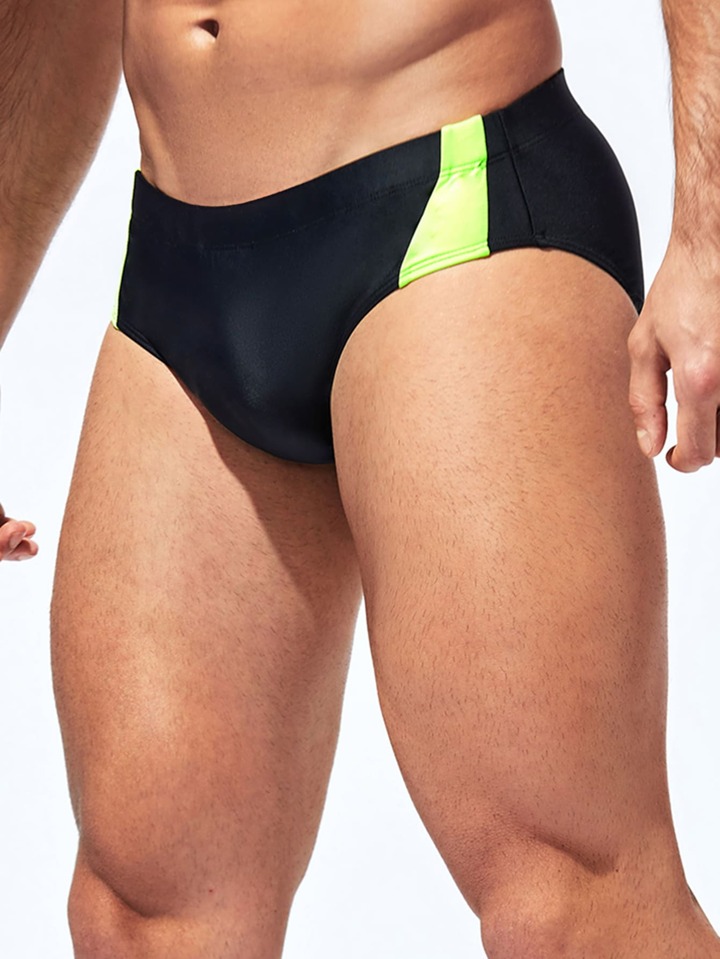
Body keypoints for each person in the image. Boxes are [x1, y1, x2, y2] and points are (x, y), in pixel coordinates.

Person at [1, 1, 719, 957]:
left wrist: (711, 235)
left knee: (569, 902)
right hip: (179, 257)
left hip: (449, 185)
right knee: (144, 916)